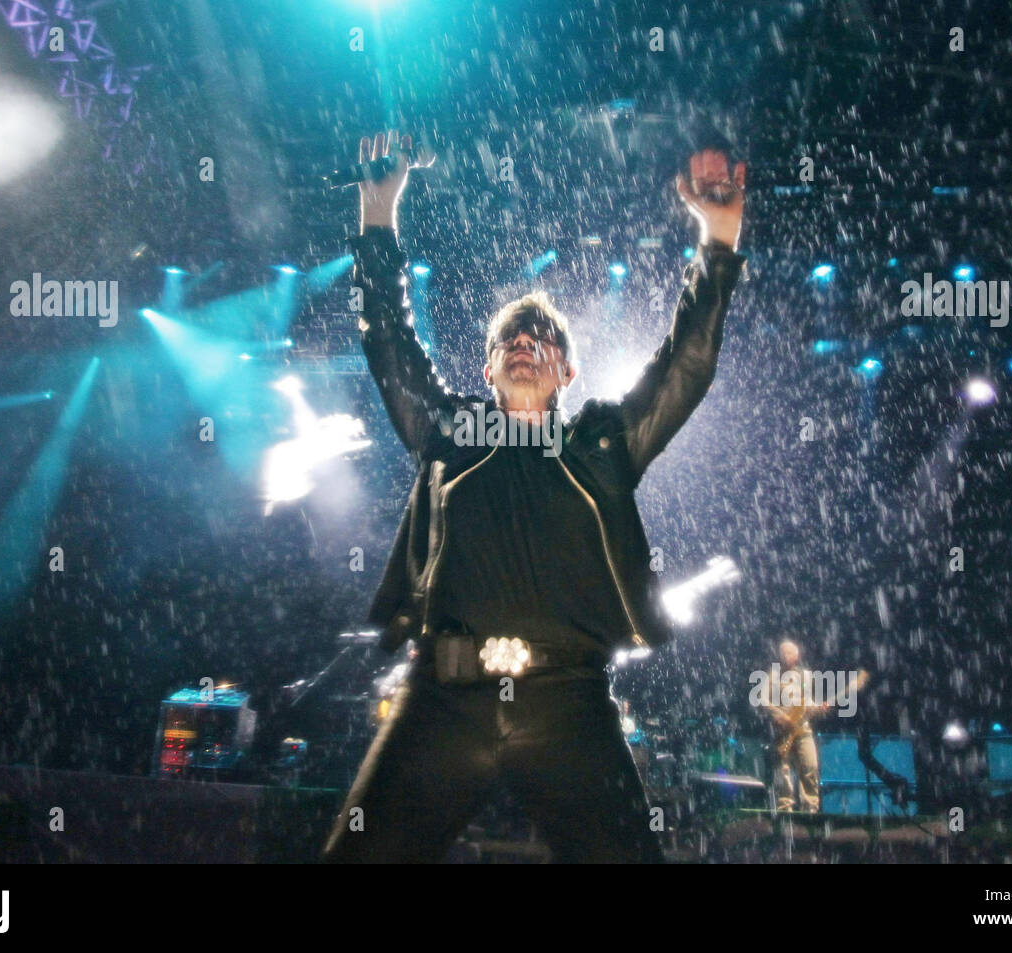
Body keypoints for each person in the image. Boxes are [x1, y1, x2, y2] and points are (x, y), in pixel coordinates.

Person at [321, 130, 749, 862]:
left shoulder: (603, 443)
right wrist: (378, 211)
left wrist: (718, 237)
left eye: (542, 334)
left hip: (569, 707)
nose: (524, 340)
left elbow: (689, 362)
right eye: (509, 337)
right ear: (487, 369)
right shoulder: (450, 430)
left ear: (569, 371)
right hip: (443, 701)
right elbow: (388, 336)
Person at [759, 640, 822, 813]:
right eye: (782, 653)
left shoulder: (805, 676)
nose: (785, 656)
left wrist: (819, 708)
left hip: (803, 729)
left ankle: (810, 809)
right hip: (783, 731)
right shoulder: (773, 676)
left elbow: (807, 702)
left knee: (810, 767)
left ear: (796, 655)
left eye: (789, 653)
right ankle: (785, 808)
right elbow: (764, 700)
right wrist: (781, 716)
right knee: (783, 771)